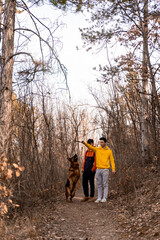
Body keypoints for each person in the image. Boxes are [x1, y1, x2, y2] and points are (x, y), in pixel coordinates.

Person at [81, 137, 115, 203]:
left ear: (105, 143)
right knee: (99, 184)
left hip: (105, 169)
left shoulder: (109, 151)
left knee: (105, 184)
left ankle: (104, 197)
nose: (101, 143)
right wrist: (84, 143)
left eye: (102, 142)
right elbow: (90, 147)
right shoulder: (97, 149)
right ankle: (99, 198)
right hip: (98, 169)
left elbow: (112, 160)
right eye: (100, 142)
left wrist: (113, 169)